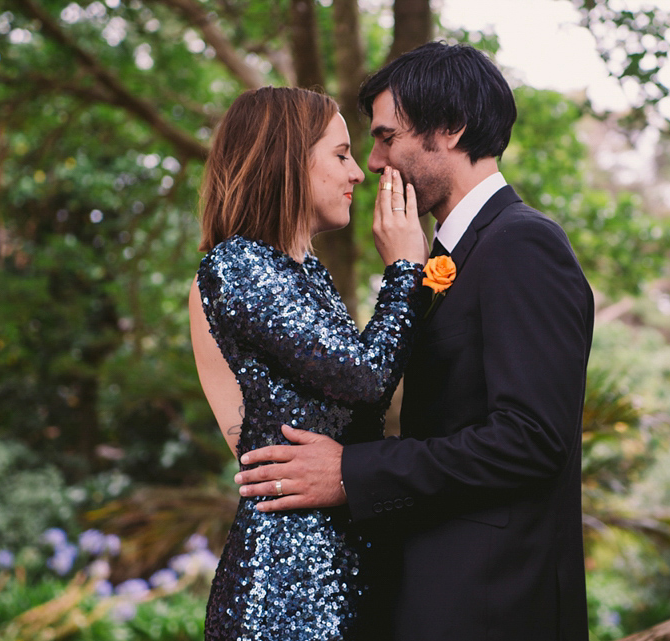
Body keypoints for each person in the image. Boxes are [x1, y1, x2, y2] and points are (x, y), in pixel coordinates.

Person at [235, 42, 595, 641]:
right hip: (441, 595)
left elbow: (531, 439)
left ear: (449, 129)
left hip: (494, 605)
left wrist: (352, 470)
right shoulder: (445, 258)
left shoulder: (522, 244)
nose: (373, 162)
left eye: (385, 137)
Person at [188, 86, 429, 641]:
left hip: (344, 571)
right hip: (285, 592)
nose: (359, 173)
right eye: (341, 154)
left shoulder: (307, 274)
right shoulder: (237, 263)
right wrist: (404, 273)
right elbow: (365, 377)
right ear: (288, 158)